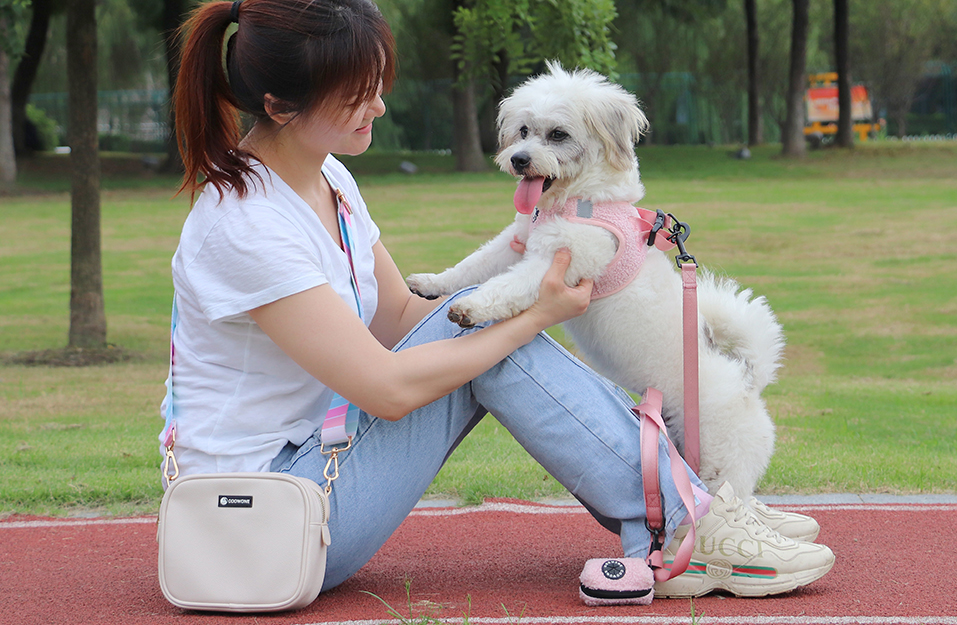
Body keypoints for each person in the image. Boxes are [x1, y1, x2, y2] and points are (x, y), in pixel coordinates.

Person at [161, 0, 834, 598]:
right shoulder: (245, 224)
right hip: (264, 514)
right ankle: (690, 522)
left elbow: (397, 316)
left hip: (310, 477)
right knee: (495, 328)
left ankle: (692, 507)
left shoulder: (328, 179)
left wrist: (517, 304)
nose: (380, 107)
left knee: (490, 319)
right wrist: (531, 312)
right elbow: (387, 389)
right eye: (358, 94)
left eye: (379, 87)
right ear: (279, 105)